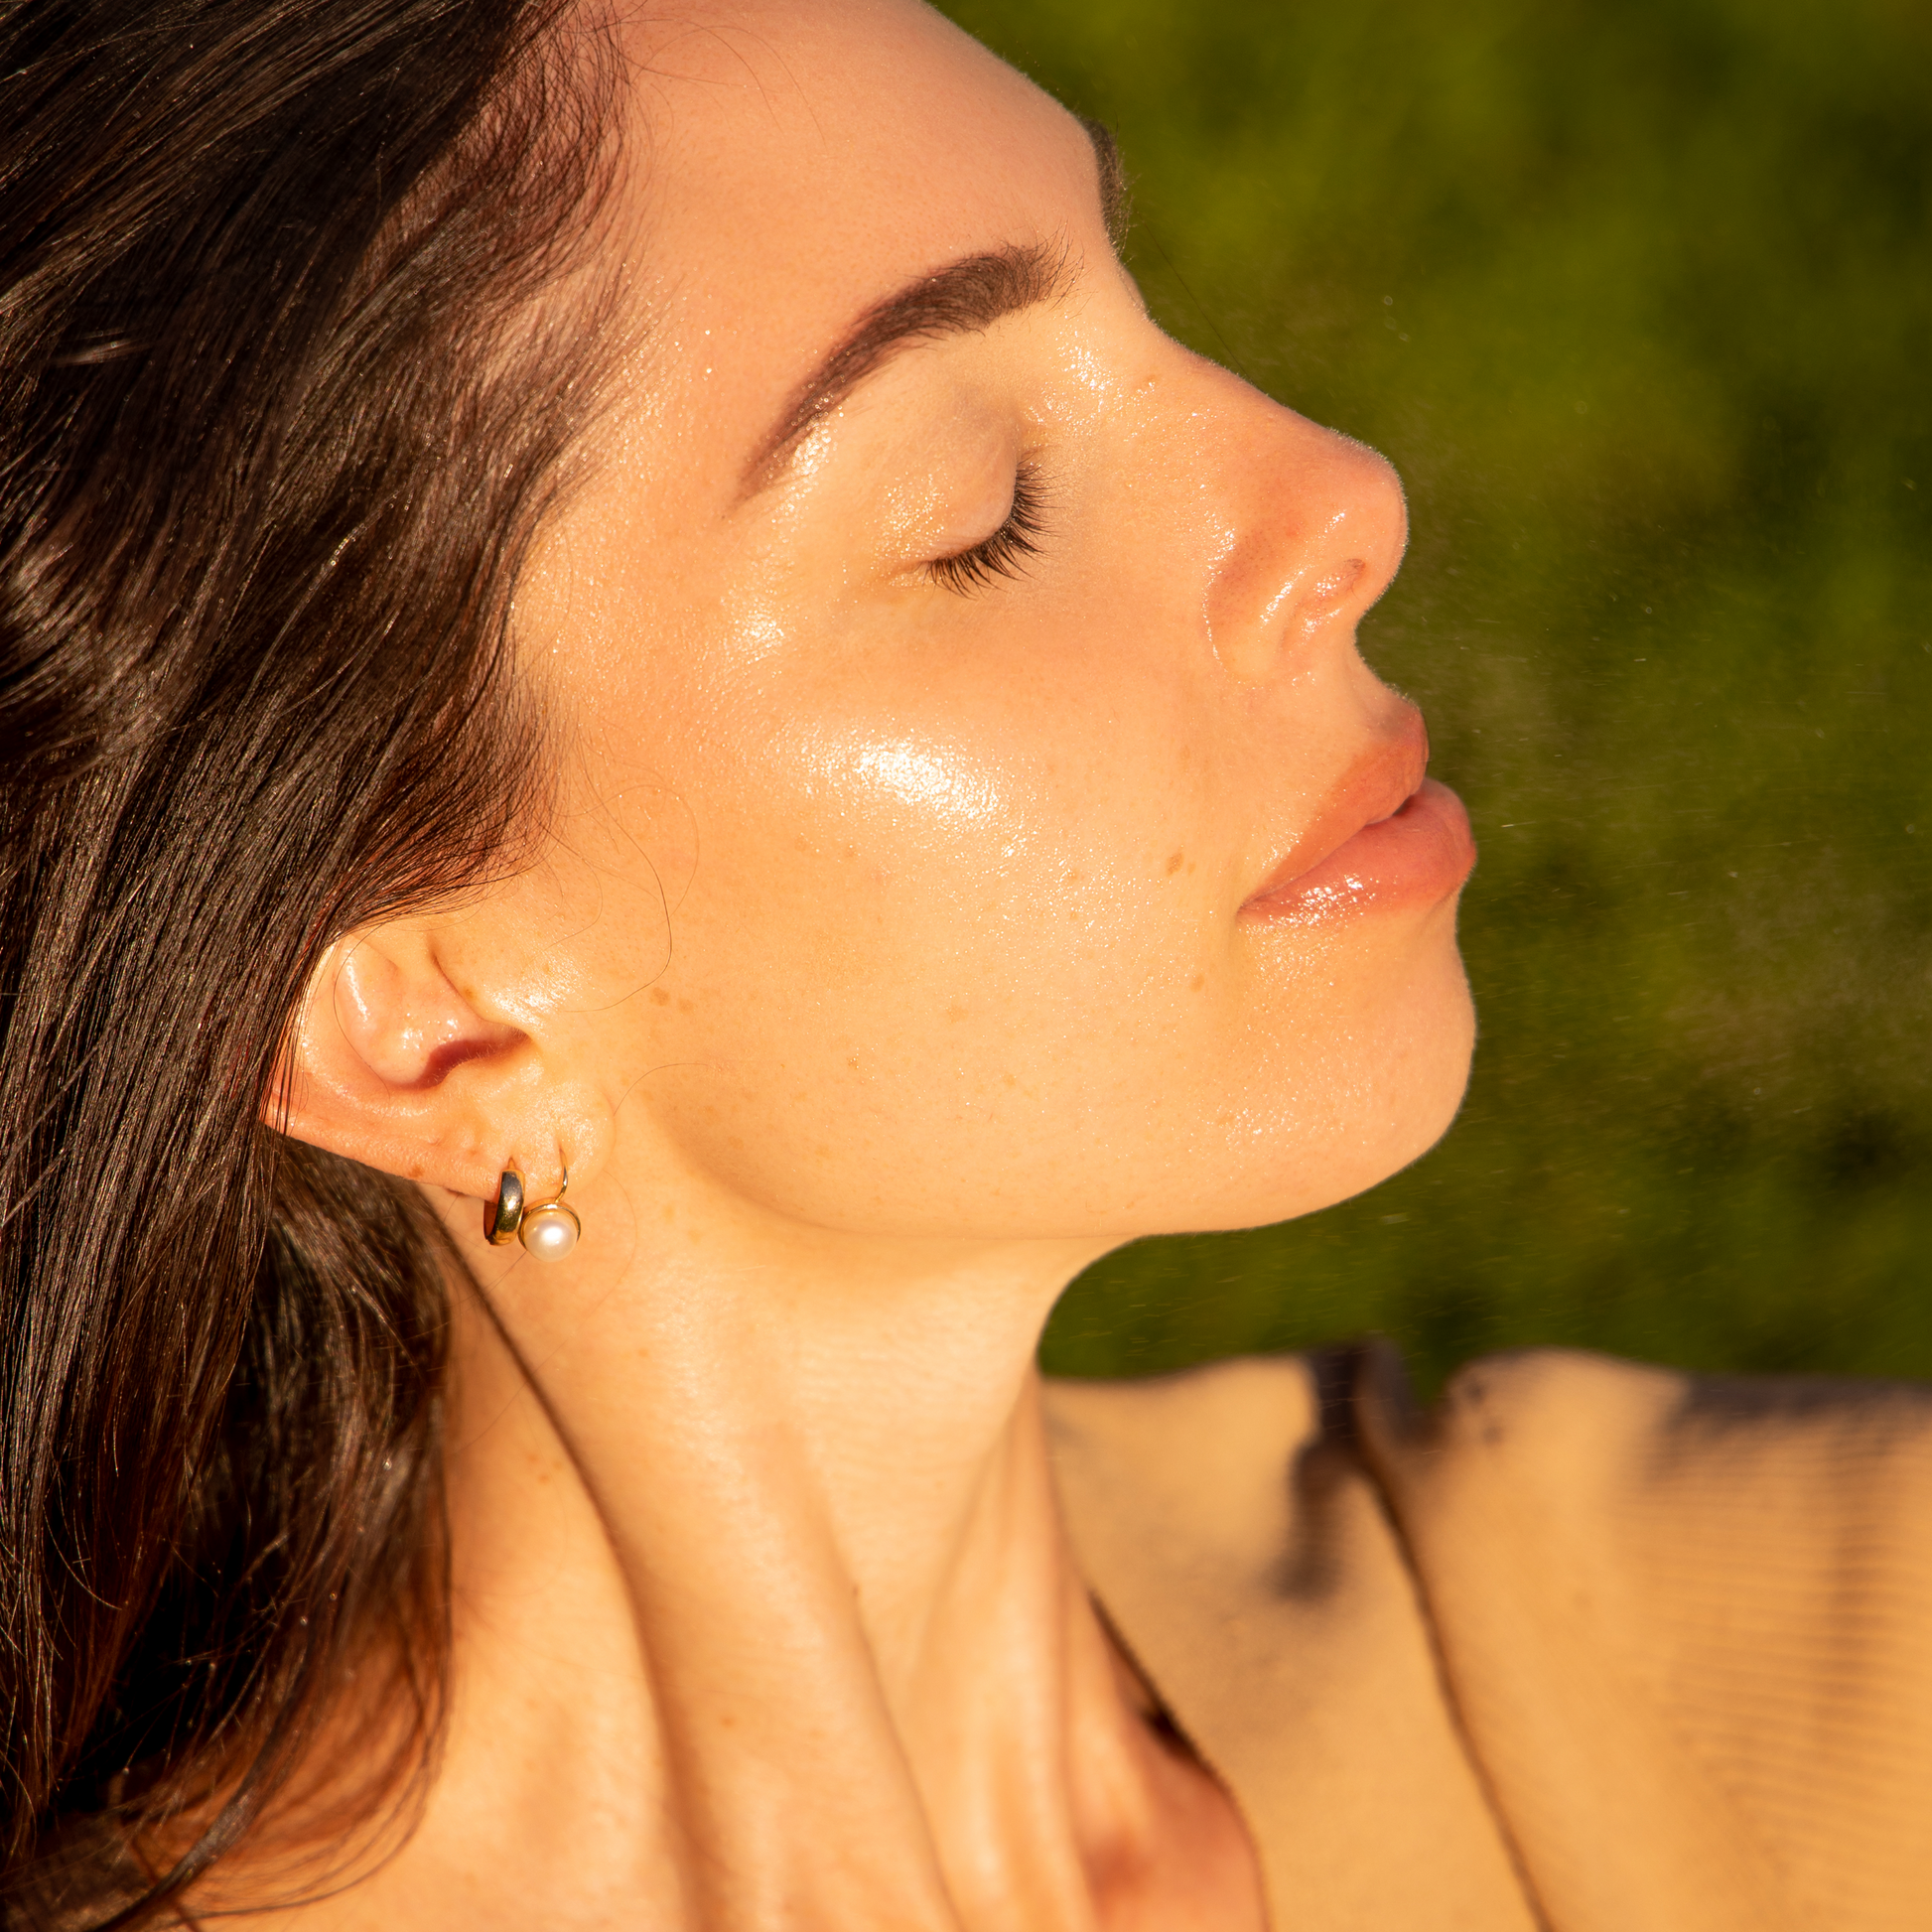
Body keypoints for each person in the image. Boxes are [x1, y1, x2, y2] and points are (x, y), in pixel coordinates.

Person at [4, 1, 1928, 1926]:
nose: (1344, 497)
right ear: (423, 1019)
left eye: (1139, 300)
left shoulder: (1724, 1675)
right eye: (981, 516)